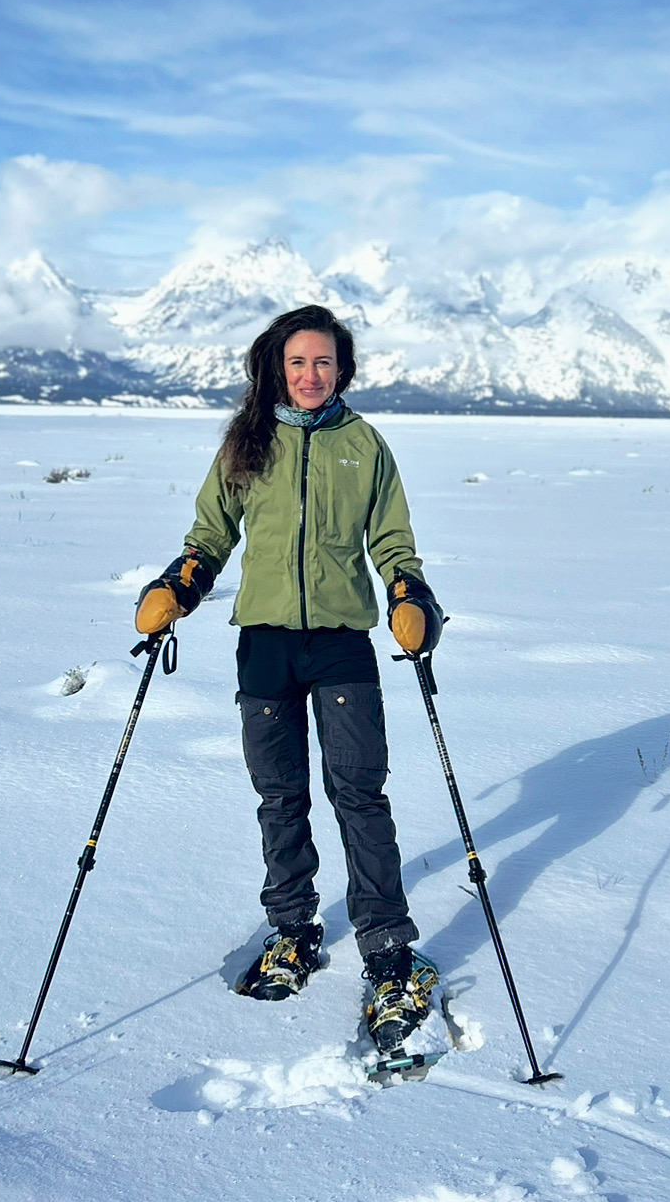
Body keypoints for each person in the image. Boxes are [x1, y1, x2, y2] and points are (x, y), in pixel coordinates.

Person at [134, 304, 444, 1052]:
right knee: (280, 795)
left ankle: (387, 949)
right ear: (275, 367)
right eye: (298, 362)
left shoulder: (364, 445)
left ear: (343, 370)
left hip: (341, 643)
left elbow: (392, 541)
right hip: (265, 644)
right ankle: (292, 930)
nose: (310, 375)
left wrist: (408, 595)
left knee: (359, 794)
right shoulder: (247, 442)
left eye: (324, 362)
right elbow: (211, 533)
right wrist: (180, 584)